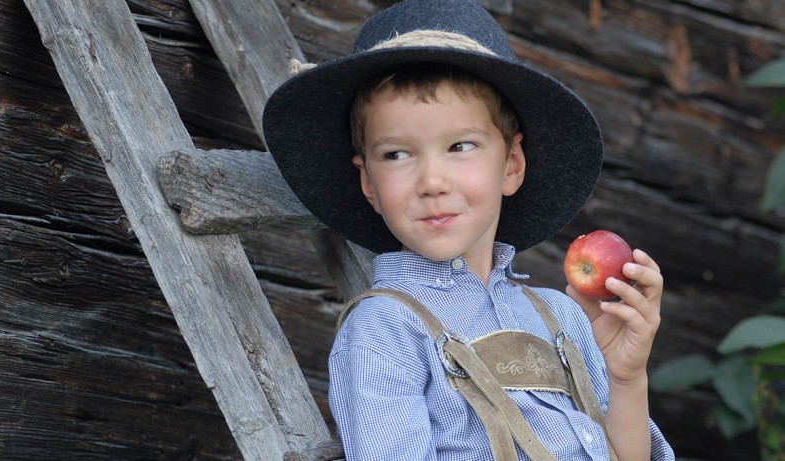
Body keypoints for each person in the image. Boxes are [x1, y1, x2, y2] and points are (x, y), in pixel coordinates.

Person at [262, 0, 674, 459]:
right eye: (397, 154)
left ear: (511, 164)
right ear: (369, 184)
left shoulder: (563, 318)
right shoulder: (385, 330)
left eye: (460, 145)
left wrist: (626, 378)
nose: (432, 182)